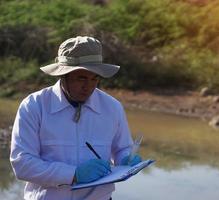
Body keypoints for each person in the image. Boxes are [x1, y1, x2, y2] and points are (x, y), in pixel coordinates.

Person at [10, 36, 142, 200]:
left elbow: (122, 148)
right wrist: (73, 175)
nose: (89, 87)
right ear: (63, 75)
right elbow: (22, 164)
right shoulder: (34, 106)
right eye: (82, 78)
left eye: (95, 78)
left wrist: (126, 158)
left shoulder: (112, 107)